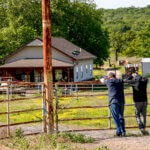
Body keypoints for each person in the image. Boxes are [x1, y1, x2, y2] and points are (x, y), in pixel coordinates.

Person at [100, 72, 126, 137]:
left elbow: (101, 80)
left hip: (113, 101)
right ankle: (123, 131)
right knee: (121, 116)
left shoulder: (108, 81)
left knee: (115, 117)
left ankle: (119, 131)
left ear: (109, 77)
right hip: (121, 100)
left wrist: (105, 78)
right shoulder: (120, 81)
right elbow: (123, 79)